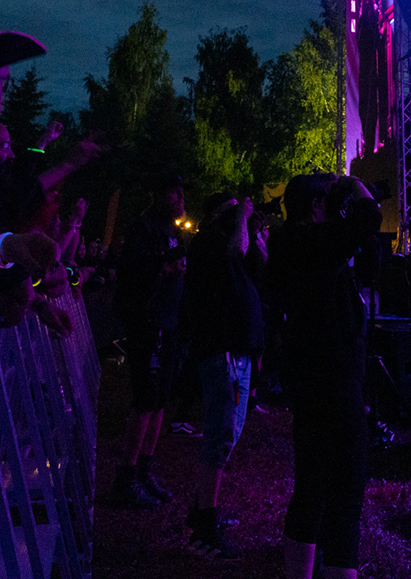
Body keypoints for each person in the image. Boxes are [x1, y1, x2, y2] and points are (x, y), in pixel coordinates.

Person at [270, 173, 382, 579]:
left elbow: (369, 260)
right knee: (345, 495)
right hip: (335, 380)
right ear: (317, 205)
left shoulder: (290, 241)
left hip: (310, 380)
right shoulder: (310, 243)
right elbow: (369, 217)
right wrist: (355, 186)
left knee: (311, 487)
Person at [178, 192, 266, 558]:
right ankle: (205, 523)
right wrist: (242, 219)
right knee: (221, 432)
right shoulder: (210, 241)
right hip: (221, 349)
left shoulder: (232, 240)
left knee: (231, 430)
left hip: (238, 349)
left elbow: (260, 261)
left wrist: (255, 230)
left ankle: (203, 506)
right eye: (232, 210)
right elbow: (236, 251)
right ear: (217, 215)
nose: (239, 215)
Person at [112, 172, 189, 508]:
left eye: (182, 192)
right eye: (175, 192)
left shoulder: (172, 229)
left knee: (160, 399)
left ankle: (145, 469)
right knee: (145, 398)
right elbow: (132, 273)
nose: (181, 198)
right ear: (158, 195)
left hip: (169, 321)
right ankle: (126, 478)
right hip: (148, 322)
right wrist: (163, 271)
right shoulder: (142, 229)